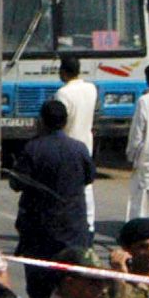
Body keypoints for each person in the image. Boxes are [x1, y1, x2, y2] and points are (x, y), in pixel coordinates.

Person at [11, 100, 96, 298]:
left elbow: (16, 183)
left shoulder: (33, 148)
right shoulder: (79, 148)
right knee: (73, 289)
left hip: (39, 235)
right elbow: (89, 177)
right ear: (65, 122)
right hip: (72, 232)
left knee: (40, 291)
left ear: (41, 121)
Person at [53, 53, 99, 233]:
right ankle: (89, 225)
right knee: (86, 188)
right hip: (86, 145)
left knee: (65, 189)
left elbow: (60, 121)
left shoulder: (63, 93)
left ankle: (66, 224)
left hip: (66, 147)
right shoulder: (91, 88)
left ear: (63, 72)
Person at [127, 63, 149, 218]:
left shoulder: (145, 101)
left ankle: (141, 235)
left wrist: (132, 155)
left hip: (148, 157)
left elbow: (137, 134)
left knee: (141, 203)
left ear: (148, 80)